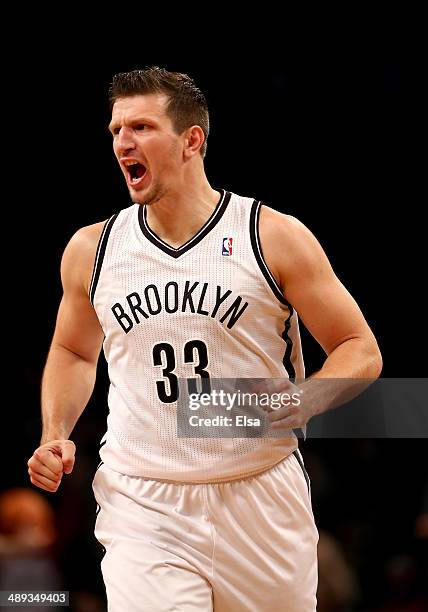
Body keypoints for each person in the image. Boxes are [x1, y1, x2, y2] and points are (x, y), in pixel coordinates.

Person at [27, 66, 382, 611]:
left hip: (259, 492)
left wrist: (302, 399)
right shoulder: (91, 250)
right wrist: (56, 431)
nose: (123, 142)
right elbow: (74, 350)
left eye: (141, 127)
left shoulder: (271, 236)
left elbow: (360, 347)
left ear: (192, 140)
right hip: (143, 498)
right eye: (116, 129)